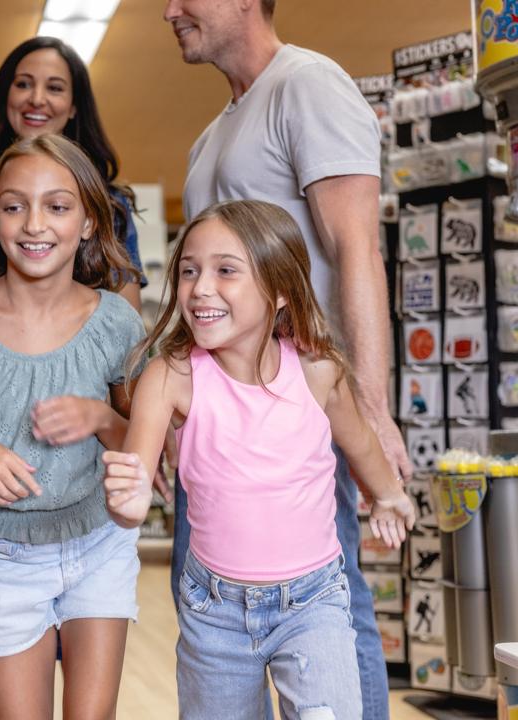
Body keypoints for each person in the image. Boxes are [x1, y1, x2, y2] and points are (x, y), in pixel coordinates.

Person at [162, 1, 413, 716]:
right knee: (210, 613)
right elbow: (202, 298)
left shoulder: (308, 85)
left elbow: (356, 251)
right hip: (216, 431)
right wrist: (172, 417)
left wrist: (370, 411)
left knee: (329, 610)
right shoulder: (211, 137)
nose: (169, 10)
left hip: (295, 417)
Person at [103, 200, 416, 719]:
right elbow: (133, 493)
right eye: (189, 271)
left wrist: (388, 495)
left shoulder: (317, 372)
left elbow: (360, 442)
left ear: (278, 290)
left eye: (225, 270)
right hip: (214, 611)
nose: (200, 287)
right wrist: (126, 502)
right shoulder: (171, 376)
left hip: (314, 602)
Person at [0, 36, 145, 719]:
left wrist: (102, 419)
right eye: (14, 207)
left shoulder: (115, 323)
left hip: (100, 542)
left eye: (56, 207)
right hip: (3, 553)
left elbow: (139, 437)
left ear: (87, 224)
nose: (34, 224)